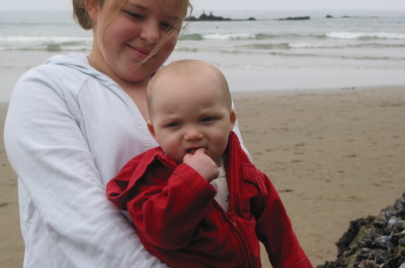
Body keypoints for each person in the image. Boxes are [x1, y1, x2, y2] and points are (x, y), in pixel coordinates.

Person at [4, 0, 195, 267]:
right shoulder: (48, 90)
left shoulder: (193, 90)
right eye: (135, 14)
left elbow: (237, 190)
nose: (151, 35)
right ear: (94, 2)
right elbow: (85, 225)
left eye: (168, 25)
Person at [107, 59, 313, 268]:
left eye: (207, 119)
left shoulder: (246, 174)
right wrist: (191, 179)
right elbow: (162, 235)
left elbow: (279, 232)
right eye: (174, 124)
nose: (193, 134)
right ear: (154, 132)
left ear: (230, 120)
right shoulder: (150, 177)